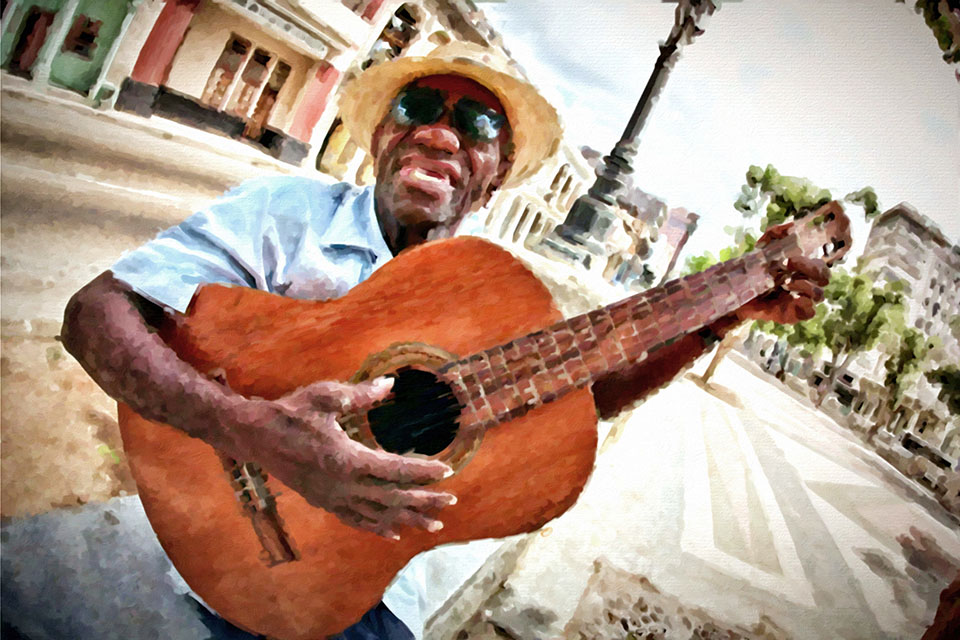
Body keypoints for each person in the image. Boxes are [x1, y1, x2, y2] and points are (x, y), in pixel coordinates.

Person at [52, 42, 834, 639]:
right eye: (418, 106)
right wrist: (249, 430)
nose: (439, 132)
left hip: (377, 597)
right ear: (379, 137)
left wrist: (716, 320)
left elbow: (574, 402)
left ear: (496, 174)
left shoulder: (497, 295)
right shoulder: (282, 215)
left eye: (477, 124)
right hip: (235, 553)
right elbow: (96, 313)